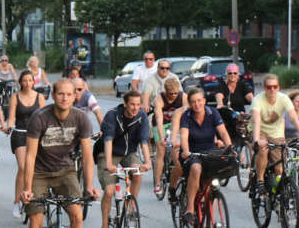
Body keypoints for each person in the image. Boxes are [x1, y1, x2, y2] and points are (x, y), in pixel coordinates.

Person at [21, 80, 102, 228]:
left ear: (74, 97)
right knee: (36, 221)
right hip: (39, 173)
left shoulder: (82, 118)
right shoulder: (39, 118)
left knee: (77, 216)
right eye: (60, 94)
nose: (64, 98)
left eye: (69, 94)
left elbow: (87, 157)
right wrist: (27, 188)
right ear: (53, 95)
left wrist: (89, 187)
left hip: (65, 172)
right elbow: (30, 156)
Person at [95, 90, 152, 228]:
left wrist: (148, 162)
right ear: (125, 104)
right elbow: (108, 140)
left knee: (137, 174)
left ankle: (130, 208)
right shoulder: (112, 115)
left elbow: (144, 141)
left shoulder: (142, 116)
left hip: (129, 152)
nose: (135, 108)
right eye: (132, 104)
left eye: (138, 104)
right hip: (109, 153)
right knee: (109, 192)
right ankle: (104, 225)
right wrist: (109, 164)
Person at [175, 89, 232, 225]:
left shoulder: (213, 113)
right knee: (196, 168)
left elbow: (223, 132)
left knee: (216, 173)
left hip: (209, 152)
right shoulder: (186, 116)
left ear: (204, 101)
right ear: (190, 104)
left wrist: (229, 146)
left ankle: (207, 201)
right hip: (192, 153)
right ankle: (189, 208)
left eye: (199, 100)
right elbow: (183, 136)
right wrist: (186, 151)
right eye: (193, 102)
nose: (197, 104)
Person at [251, 74, 299, 188]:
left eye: (275, 86)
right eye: (269, 87)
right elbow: (256, 120)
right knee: (263, 149)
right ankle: (260, 180)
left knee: (279, 168)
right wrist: (256, 140)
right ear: (264, 88)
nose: (272, 89)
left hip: (276, 133)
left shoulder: (283, 99)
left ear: (278, 87)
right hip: (260, 131)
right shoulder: (257, 100)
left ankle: (276, 191)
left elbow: (294, 118)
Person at [3, 70, 46, 218]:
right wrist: (9, 125)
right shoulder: (15, 97)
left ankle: (37, 198)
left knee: (35, 168)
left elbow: (44, 117)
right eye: (24, 80)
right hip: (20, 134)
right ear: (20, 82)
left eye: (30, 80)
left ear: (34, 82)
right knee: (23, 167)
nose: (27, 83)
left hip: (36, 135)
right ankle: (16, 202)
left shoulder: (39, 97)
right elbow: (11, 117)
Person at [150, 78, 186, 194]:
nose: (174, 96)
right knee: (161, 150)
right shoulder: (159, 99)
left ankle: (179, 167)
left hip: (176, 123)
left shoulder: (183, 97)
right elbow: (159, 121)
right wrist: (162, 139)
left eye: (176, 93)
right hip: (162, 125)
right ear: (165, 91)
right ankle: (157, 183)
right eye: (171, 93)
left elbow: (187, 116)